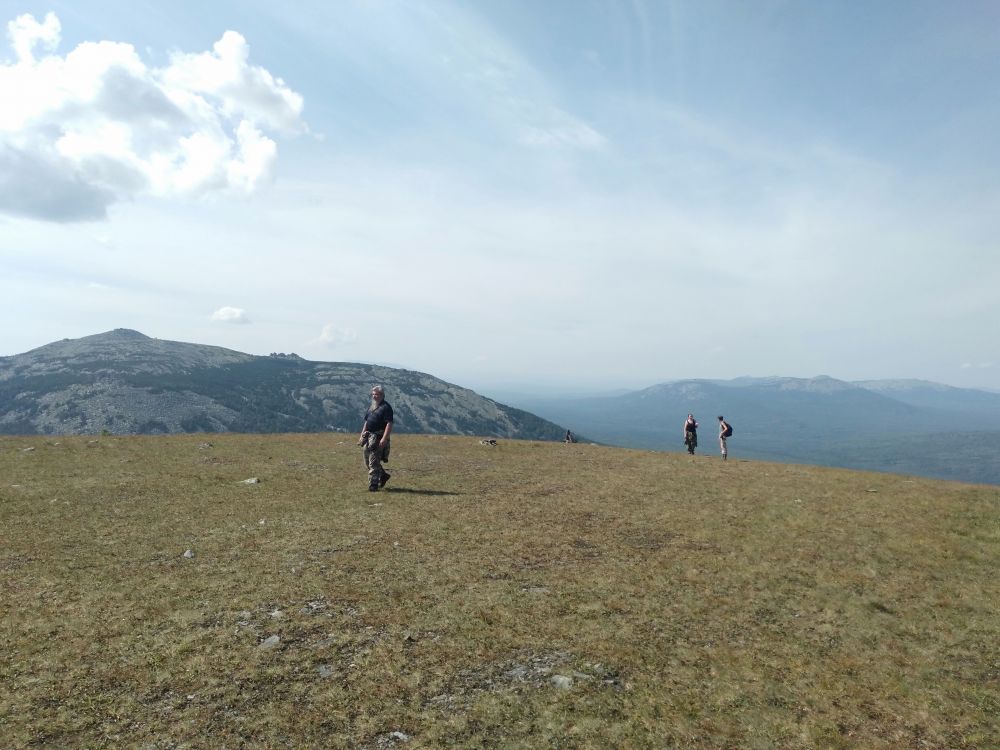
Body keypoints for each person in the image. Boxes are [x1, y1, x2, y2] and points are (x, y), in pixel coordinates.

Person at [358, 385, 393, 491]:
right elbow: (367, 421)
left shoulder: (386, 407)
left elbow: (389, 423)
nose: (374, 396)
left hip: (378, 437)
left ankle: (373, 484)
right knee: (367, 460)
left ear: (382, 395)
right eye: (373, 394)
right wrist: (362, 435)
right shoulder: (372, 406)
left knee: (373, 460)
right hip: (368, 436)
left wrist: (384, 438)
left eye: (376, 394)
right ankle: (383, 475)